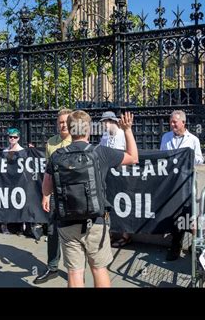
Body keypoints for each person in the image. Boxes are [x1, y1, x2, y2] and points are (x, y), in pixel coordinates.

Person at [42, 110, 138, 287]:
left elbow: (46, 186)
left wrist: (46, 196)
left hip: (67, 221)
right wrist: (127, 130)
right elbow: (133, 158)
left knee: (75, 272)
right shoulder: (100, 152)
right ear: (88, 130)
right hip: (95, 221)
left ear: (70, 130)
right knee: (99, 269)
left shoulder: (56, 156)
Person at [33, 108, 73, 284]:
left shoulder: (78, 140)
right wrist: (46, 195)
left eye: (66, 122)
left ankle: (75, 270)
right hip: (55, 194)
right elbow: (47, 172)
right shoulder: (51, 143)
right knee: (52, 231)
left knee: (73, 233)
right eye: (60, 122)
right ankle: (53, 267)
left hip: (73, 194)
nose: (63, 125)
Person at [160, 110, 204, 261]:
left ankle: (196, 244)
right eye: (171, 122)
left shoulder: (193, 140)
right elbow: (162, 157)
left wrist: (186, 157)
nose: (172, 125)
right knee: (175, 214)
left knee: (191, 214)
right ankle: (176, 246)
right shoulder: (165, 137)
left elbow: (199, 159)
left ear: (183, 123)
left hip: (187, 182)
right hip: (171, 182)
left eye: (174, 122)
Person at [98, 111, 131, 248]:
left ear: (112, 121)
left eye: (105, 122)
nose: (104, 125)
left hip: (122, 175)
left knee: (123, 204)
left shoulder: (122, 135)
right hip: (108, 175)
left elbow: (130, 153)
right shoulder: (105, 136)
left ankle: (125, 235)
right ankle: (110, 233)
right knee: (109, 203)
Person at [1, 128, 24, 235]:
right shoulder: (4, 151)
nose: (13, 139)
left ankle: (19, 226)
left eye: (15, 137)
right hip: (7, 181)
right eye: (11, 137)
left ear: (18, 138)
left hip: (19, 181)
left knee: (19, 203)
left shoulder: (22, 150)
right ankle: (5, 225)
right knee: (6, 203)